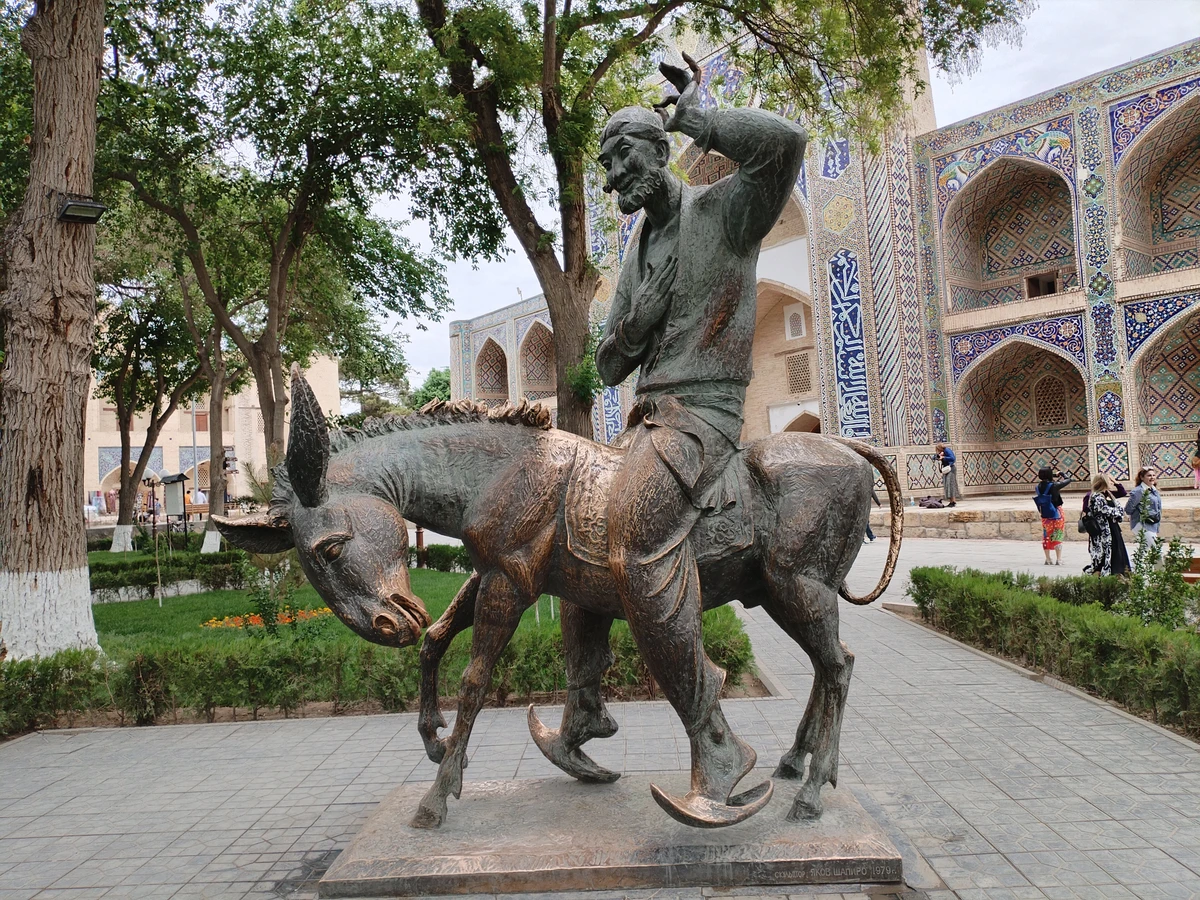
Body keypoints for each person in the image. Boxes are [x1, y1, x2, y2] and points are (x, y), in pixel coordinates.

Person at [594, 55, 807, 812]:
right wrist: (637, 320)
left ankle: (717, 742)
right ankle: (583, 709)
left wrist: (700, 118)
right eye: (606, 169)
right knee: (569, 526)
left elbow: (786, 144)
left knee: (630, 539)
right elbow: (606, 363)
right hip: (647, 419)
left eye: (623, 159)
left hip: (705, 417)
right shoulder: (638, 249)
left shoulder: (726, 213)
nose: (614, 180)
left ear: (659, 149)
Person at [1085, 474, 1130, 576]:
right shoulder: (1096, 496)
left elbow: (1122, 493)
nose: (1111, 482)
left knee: (1116, 552)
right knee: (1105, 555)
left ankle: (1118, 574)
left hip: (1113, 528)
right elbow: (1104, 510)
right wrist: (1117, 512)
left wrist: (1116, 483)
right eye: (1109, 480)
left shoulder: (1108, 494)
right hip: (1103, 531)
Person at [1036, 466, 1072, 566]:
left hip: (1045, 514)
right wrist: (1061, 474)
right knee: (1057, 534)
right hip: (1056, 513)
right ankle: (1059, 559)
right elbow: (1068, 479)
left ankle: (1048, 559)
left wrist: (1051, 476)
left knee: (1046, 535)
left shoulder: (1038, 486)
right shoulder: (1054, 485)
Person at [1125, 467, 1162, 538]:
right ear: (1142, 477)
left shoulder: (1154, 490)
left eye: (1153, 475)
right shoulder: (1138, 491)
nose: (1152, 477)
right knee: (1153, 544)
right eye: (1149, 475)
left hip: (1152, 524)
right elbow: (1128, 509)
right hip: (1142, 524)